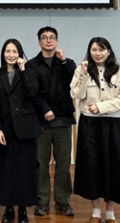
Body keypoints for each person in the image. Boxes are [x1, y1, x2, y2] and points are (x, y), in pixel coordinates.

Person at [70, 37, 120, 223]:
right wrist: (83, 75)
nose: (97, 53)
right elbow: (76, 94)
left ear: (108, 52)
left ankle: (110, 213)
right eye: (94, 50)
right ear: (89, 52)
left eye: (101, 49)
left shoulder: (119, 72)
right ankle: (96, 211)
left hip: (112, 124)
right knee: (91, 166)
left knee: (113, 166)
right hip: (89, 125)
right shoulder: (81, 70)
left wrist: (101, 107)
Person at [27, 26, 77, 217]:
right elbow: (32, 92)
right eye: (44, 37)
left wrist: (63, 61)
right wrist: (44, 109)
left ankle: (63, 201)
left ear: (56, 41)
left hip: (63, 120)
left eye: (52, 37)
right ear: (39, 41)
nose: (48, 40)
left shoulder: (67, 62)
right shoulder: (32, 65)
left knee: (63, 163)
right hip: (41, 122)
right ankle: (42, 201)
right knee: (41, 162)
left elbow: (74, 82)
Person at [0, 39, 39, 223]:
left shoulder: (29, 72)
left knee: (25, 170)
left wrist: (23, 69)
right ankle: (8, 207)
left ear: (20, 53)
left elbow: (32, 92)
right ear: (3, 54)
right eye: (8, 51)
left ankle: (23, 209)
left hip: (25, 128)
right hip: (6, 129)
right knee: (6, 170)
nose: (11, 55)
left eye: (14, 51)